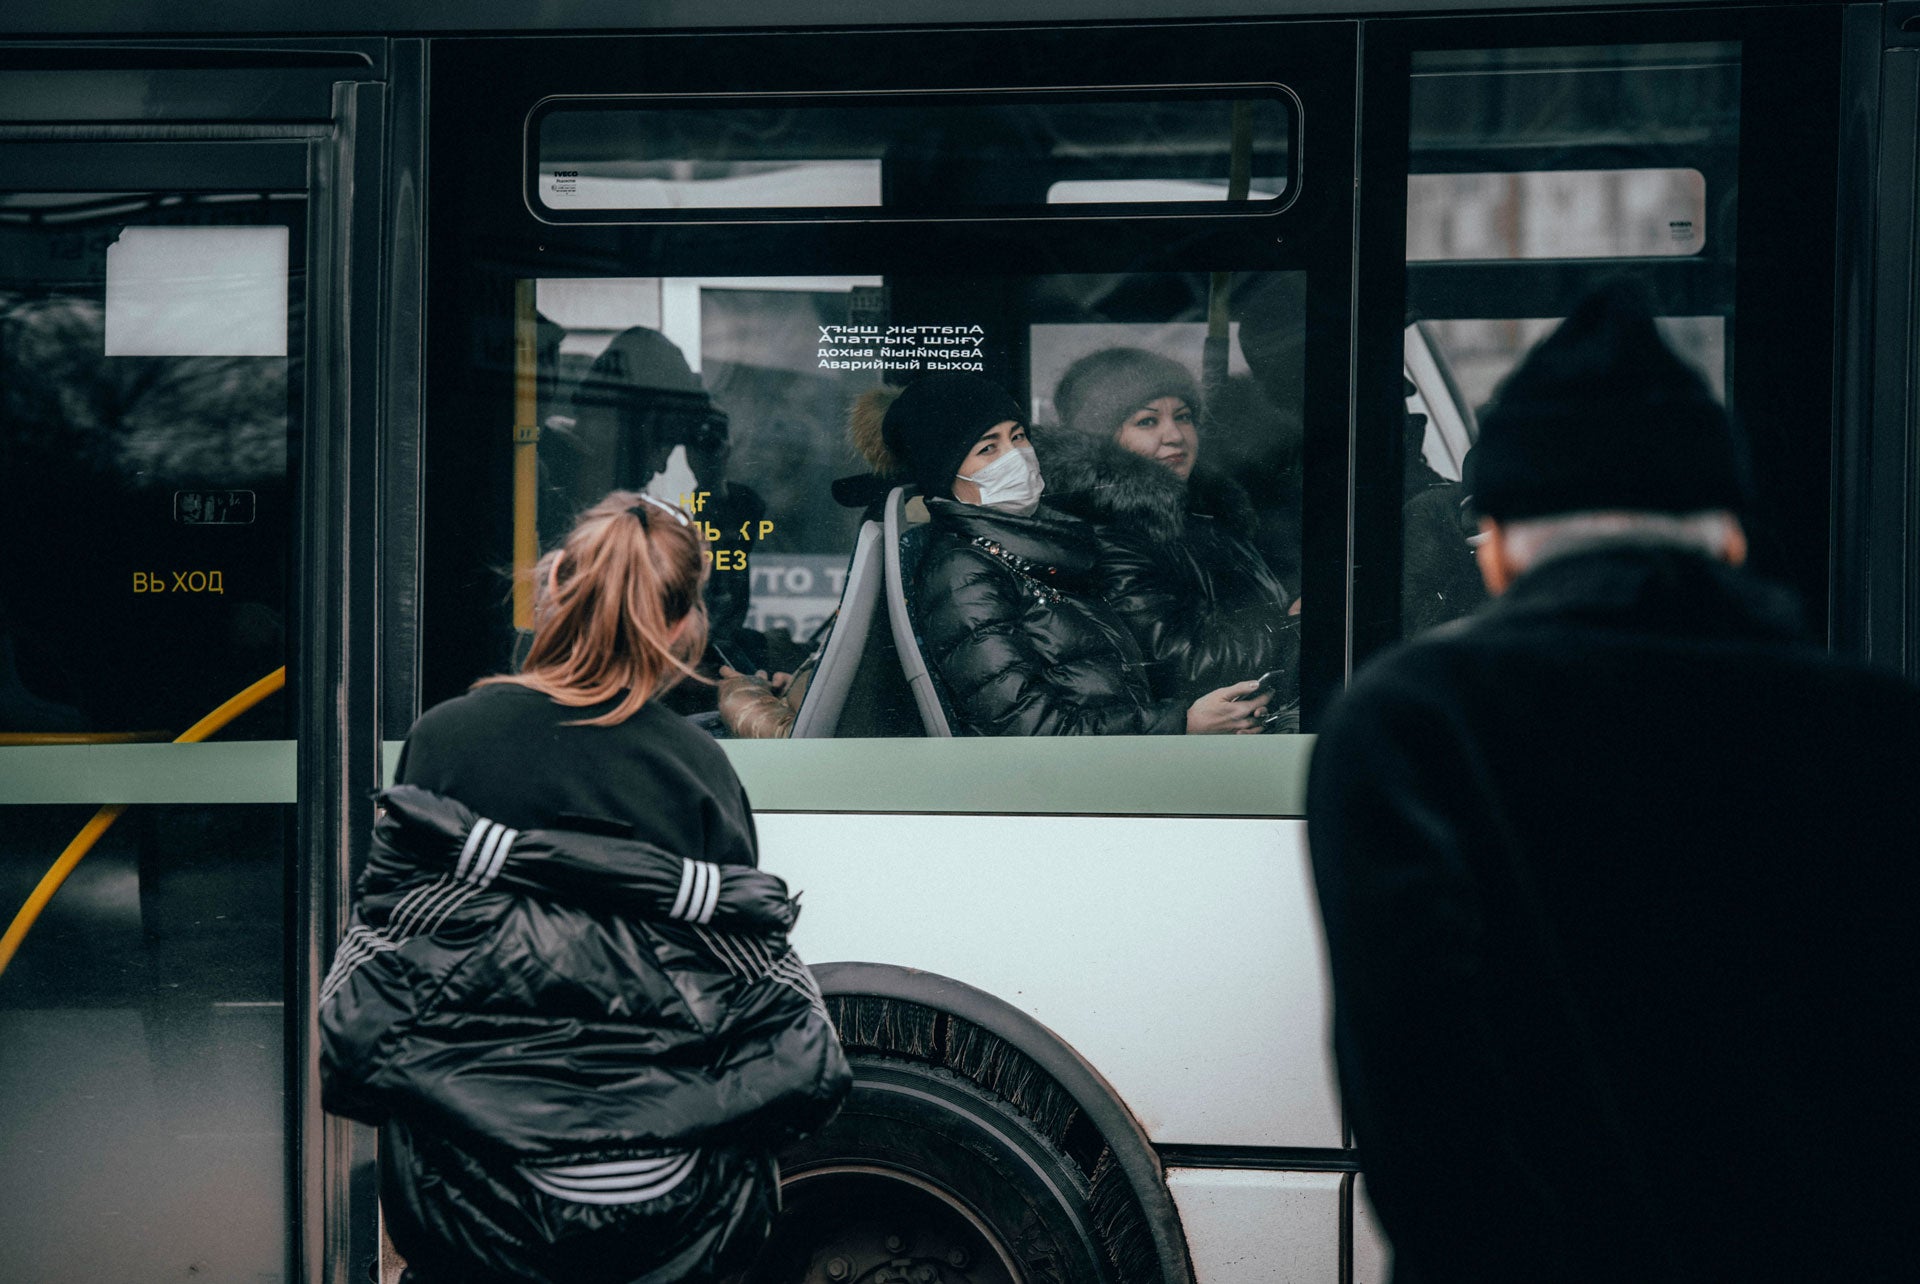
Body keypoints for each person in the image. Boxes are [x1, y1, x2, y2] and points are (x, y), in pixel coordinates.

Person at [1305, 284, 1919, 1283]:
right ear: (1725, 531)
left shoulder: (1408, 723)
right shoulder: (1882, 725)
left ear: (1496, 544)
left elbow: (1419, 1102)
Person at [319, 491, 850, 1284]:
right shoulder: (696, 765)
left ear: (555, 588)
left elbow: (396, 948)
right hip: (670, 1204)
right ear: (683, 626)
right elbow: (736, 970)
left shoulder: (447, 739)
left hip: (466, 1193)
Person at [851, 371, 1269, 736]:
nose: (1016, 457)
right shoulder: (963, 573)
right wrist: (1182, 723)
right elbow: (1030, 730)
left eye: (1017, 436)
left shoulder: (1046, 546)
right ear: (945, 474)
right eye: (988, 448)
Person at [1042, 348, 1300, 725]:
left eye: (1183, 417)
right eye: (1147, 422)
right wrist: (1294, 626)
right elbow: (1185, 664)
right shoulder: (1107, 533)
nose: (1174, 435)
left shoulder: (1205, 511)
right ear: (1101, 439)